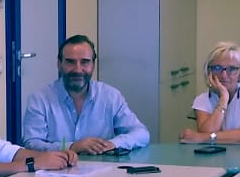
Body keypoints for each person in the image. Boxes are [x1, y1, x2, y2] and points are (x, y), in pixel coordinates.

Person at [21, 34, 150, 154]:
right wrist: (72, 147)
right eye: (70, 62)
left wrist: (112, 144)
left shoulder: (110, 96)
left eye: (85, 62)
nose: (77, 69)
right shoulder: (39, 99)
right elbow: (32, 144)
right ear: (59, 65)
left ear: (93, 65)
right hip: (55, 171)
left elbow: (141, 133)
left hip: (102, 172)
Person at [180, 41, 240, 145]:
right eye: (217, 68)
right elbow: (207, 133)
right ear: (208, 71)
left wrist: (202, 137)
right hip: (220, 158)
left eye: (231, 69)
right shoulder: (202, 100)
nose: (223, 75)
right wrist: (223, 99)